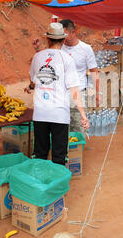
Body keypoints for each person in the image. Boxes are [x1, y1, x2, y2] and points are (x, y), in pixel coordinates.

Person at [27, 22, 89, 165]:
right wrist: (83, 115)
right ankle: (57, 185)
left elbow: (33, 80)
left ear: (48, 39)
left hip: (40, 112)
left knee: (40, 154)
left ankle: (40, 185)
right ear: (63, 40)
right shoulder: (67, 59)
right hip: (59, 114)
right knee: (59, 156)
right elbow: (74, 90)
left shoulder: (37, 57)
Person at [60, 19, 100, 133]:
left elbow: (94, 71)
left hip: (78, 93)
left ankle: (77, 149)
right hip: (61, 94)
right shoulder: (59, 47)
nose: (62, 38)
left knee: (78, 127)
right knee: (62, 129)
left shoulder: (85, 49)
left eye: (64, 34)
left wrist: (98, 93)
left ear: (72, 32)